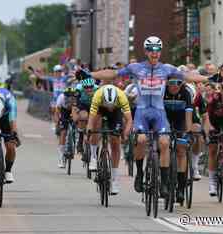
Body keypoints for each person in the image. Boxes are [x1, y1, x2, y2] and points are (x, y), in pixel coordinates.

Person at [87, 36, 208, 197]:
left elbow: (188, 76)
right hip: (142, 112)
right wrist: (90, 74)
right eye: (151, 49)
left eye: (157, 49)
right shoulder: (136, 67)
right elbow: (113, 73)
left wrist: (209, 78)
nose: (154, 53)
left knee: (164, 142)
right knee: (142, 140)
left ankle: (164, 183)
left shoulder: (166, 69)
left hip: (159, 112)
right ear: (145, 51)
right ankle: (139, 174)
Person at [86, 84, 132, 195]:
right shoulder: (97, 95)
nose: (109, 107)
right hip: (100, 110)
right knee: (95, 126)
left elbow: (129, 120)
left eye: (111, 105)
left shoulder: (122, 97)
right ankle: (93, 156)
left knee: (115, 142)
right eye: (108, 105)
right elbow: (91, 120)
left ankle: (114, 180)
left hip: (116, 112)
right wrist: (89, 131)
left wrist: (125, 134)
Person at [164, 77, 193, 202]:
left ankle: (180, 188)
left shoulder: (186, 93)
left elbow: (188, 114)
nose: (175, 86)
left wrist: (189, 131)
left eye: (178, 83)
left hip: (181, 120)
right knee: (163, 145)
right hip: (165, 119)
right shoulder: (162, 91)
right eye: (171, 83)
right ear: (166, 83)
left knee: (181, 149)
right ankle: (163, 181)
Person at [55, 87, 79, 168]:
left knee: (76, 122)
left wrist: (75, 120)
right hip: (64, 111)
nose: (69, 98)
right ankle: (61, 157)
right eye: (67, 97)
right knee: (63, 132)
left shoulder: (76, 98)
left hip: (73, 109)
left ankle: (76, 139)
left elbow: (75, 110)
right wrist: (57, 122)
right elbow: (57, 111)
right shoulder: (61, 98)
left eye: (71, 97)